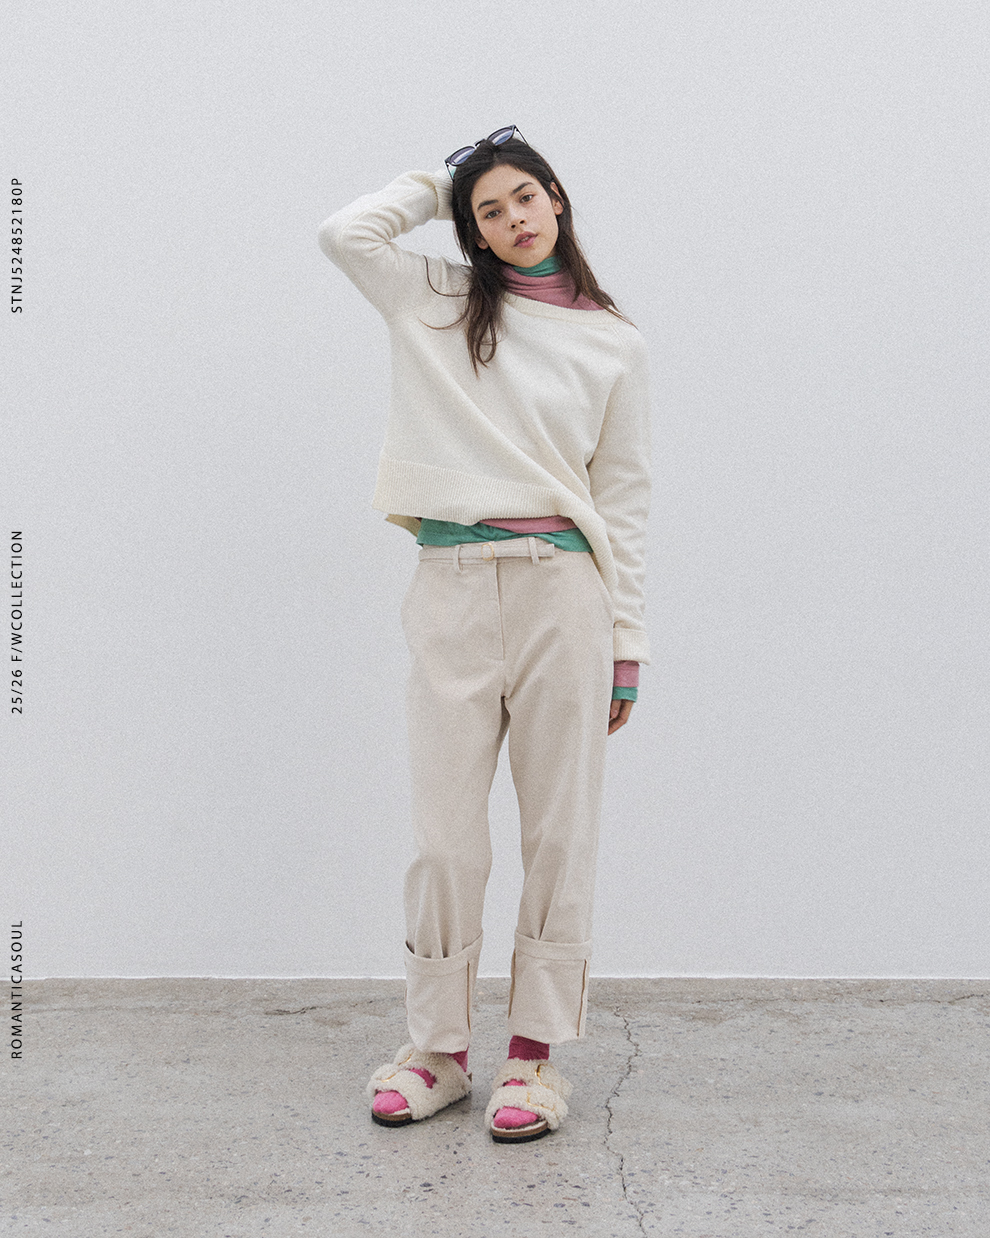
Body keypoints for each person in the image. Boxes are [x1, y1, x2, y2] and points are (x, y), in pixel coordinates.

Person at [318, 127, 650, 1142]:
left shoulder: (614, 341)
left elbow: (623, 497)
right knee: (445, 838)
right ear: (471, 230)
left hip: (565, 591)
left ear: (558, 197)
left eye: (524, 197)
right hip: (451, 585)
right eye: (489, 211)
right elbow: (345, 233)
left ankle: (534, 1059)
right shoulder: (440, 300)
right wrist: (445, 177)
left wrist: (626, 643)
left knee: (560, 831)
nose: (513, 220)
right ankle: (439, 1052)